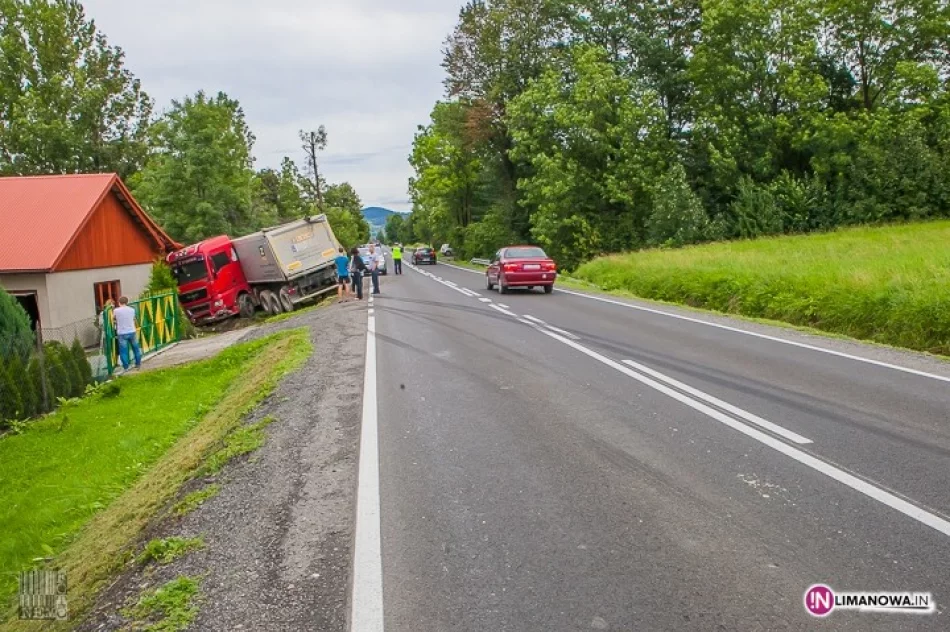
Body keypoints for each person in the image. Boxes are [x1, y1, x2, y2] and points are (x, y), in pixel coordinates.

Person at [113, 296, 141, 371]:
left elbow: (114, 319)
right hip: (132, 331)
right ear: (127, 302)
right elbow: (133, 318)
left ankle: (126, 367)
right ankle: (138, 364)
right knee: (136, 349)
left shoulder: (116, 311)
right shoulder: (132, 310)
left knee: (123, 351)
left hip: (122, 333)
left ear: (119, 302)